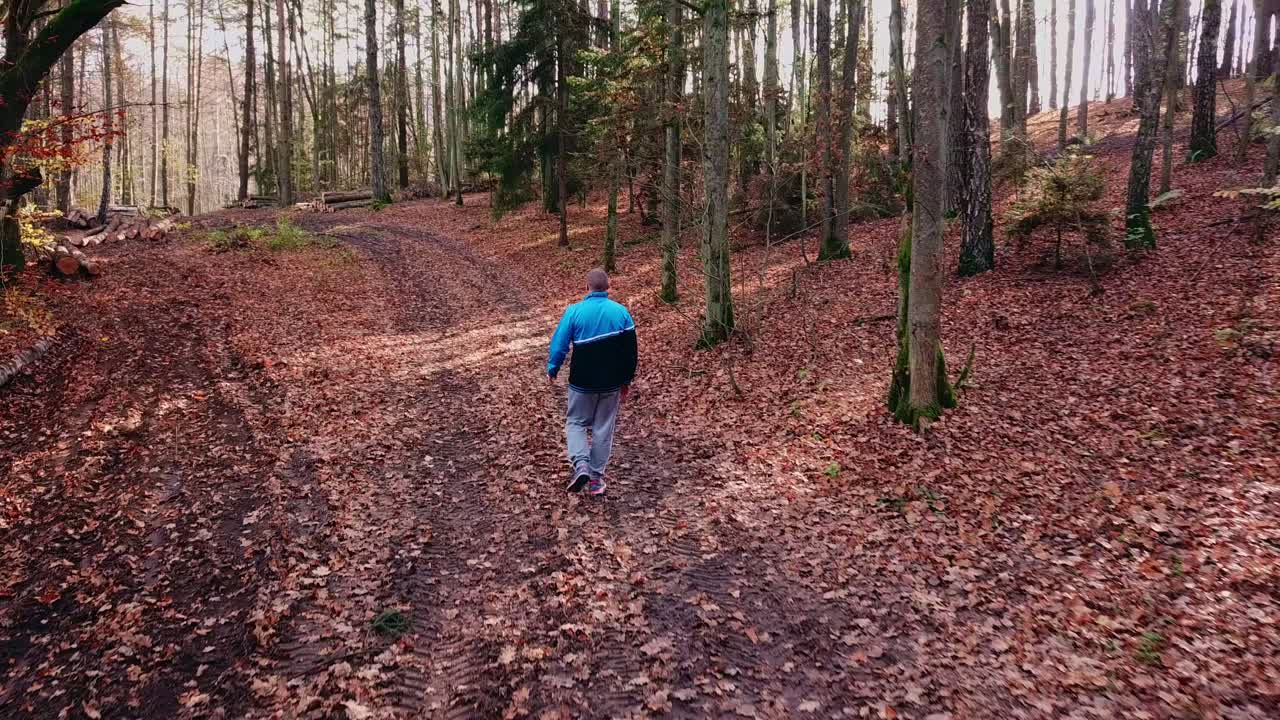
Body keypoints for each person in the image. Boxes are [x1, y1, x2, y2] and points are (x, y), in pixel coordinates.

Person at [547, 269, 638, 495]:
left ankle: (581, 464)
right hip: (611, 383)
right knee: (603, 429)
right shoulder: (622, 313)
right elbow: (630, 352)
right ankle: (596, 479)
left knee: (576, 423)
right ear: (609, 286)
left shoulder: (574, 312)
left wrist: (553, 367)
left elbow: (559, 343)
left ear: (586, 287)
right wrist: (626, 380)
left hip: (582, 381)